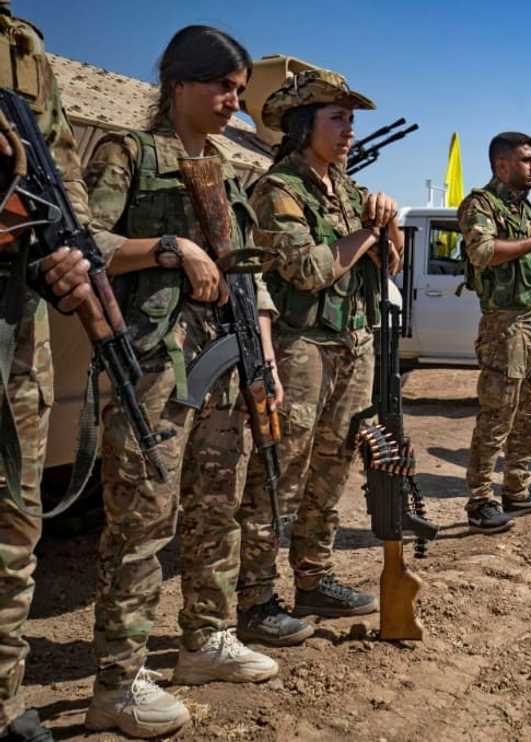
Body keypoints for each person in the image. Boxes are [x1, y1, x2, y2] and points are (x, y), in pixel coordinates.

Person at [82, 26, 281, 738]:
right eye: (222, 87)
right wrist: (168, 247)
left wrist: (264, 358)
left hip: (226, 363)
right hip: (155, 368)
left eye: (237, 89)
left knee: (217, 507)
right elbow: (83, 246)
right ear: (179, 85)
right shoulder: (128, 153)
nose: (233, 102)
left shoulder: (227, 171)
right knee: (142, 519)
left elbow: (248, 273)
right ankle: (117, 682)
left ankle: (205, 640)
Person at [235, 69, 402, 645]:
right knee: (279, 474)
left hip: (353, 345)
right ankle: (255, 600)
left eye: (352, 120)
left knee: (334, 468)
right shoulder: (278, 189)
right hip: (300, 347)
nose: (349, 131)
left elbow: (390, 268)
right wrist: (368, 235)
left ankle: (314, 578)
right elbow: (306, 271)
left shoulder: (351, 191)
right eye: (338, 119)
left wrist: (389, 223)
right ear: (305, 126)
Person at [0, 3, 95, 739]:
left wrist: (70, 244)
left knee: (13, 523)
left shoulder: (20, 46)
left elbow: (61, 173)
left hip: (14, 319)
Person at [458, 132, 531, 533]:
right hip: (505, 327)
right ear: (502, 165)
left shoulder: (526, 213)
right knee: (497, 415)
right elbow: (483, 252)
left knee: (530, 414)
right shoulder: (481, 205)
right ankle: (479, 502)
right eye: (527, 160)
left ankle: (517, 488)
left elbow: (529, 275)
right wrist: (530, 245)